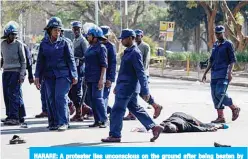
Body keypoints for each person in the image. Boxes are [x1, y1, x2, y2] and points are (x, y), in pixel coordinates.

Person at [101, 29, 163, 143]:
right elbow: (123, 71)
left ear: (130, 38)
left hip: (127, 87)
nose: (121, 41)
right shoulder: (128, 51)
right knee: (135, 108)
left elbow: (141, 73)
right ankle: (154, 127)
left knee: (117, 110)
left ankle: (115, 135)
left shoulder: (135, 53)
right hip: (124, 86)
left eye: (123, 39)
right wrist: (117, 86)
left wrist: (145, 90)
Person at [34, 17, 78, 131]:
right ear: (49, 31)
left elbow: (71, 60)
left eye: (59, 30)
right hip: (49, 75)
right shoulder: (44, 44)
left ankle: (63, 122)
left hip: (63, 75)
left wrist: (74, 75)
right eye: (55, 30)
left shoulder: (65, 43)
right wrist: (37, 76)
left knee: (60, 96)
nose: (57, 32)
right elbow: (40, 61)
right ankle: (53, 122)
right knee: (50, 98)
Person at [202, 25, 240, 123]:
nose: (218, 35)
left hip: (224, 73)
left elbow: (232, 60)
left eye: (219, 33)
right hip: (214, 74)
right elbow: (211, 60)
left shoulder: (228, 44)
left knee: (220, 93)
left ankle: (234, 108)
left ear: (223, 33)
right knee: (214, 95)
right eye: (216, 33)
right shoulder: (215, 45)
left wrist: (230, 72)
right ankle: (221, 117)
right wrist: (205, 73)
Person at [124, 29, 163, 120]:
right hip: (134, 74)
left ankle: (133, 113)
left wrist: (141, 74)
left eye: (138, 36)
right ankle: (155, 105)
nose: (137, 37)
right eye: (136, 36)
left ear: (141, 36)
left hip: (142, 73)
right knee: (139, 93)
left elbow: (145, 62)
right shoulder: (132, 46)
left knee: (137, 93)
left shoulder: (145, 46)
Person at [1, 21, 26, 125]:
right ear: (7, 34)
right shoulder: (2, 44)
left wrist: (22, 74)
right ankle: (10, 115)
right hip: (6, 72)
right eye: (12, 34)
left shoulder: (18, 44)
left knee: (14, 95)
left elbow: (23, 61)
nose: (14, 36)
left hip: (15, 72)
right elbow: (2, 58)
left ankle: (15, 117)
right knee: (6, 95)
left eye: (15, 34)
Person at [84, 26, 108, 128]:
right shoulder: (90, 47)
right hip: (89, 77)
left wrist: (101, 79)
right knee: (92, 99)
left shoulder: (101, 48)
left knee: (98, 98)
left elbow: (104, 65)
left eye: (89, 35)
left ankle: (104, 120)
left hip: (97, 78)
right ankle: (97, 120)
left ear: (95, 37)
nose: (87, 37)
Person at [68, 21, 91, 122]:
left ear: (81, 29)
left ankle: (79, 113)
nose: (76, 30)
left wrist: (78, 59)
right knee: (71, 91)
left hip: (80, 68)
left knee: (77, 91)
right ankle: (83, 108)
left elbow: (87, 56)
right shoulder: (74, 40)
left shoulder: (83, 41)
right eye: (74, 29)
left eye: (78, 29)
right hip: (74, 68)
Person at [100, 26, 117, 115]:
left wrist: (110, 79)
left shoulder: (111, 47)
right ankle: (109, 111)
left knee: (104, 97)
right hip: (97, 76)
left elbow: (113, 64)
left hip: (107, 76)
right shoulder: (97, 45)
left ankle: (103, 118)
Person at [160, 112, 228, 133]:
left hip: (185, 117)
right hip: (176, 115)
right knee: (200, 125)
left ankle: (219, 125)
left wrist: (208, 129)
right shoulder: (165, 124)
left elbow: (195, 128)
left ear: (177, 128)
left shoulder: (182, 125)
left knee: (202, 125)